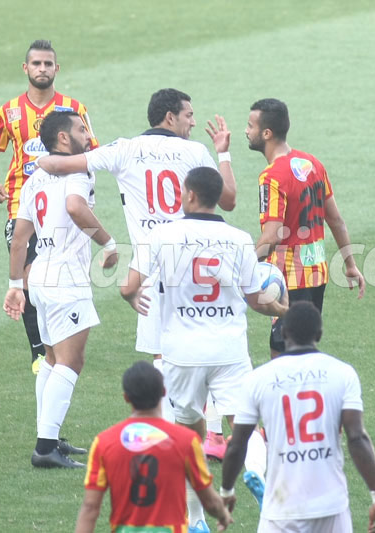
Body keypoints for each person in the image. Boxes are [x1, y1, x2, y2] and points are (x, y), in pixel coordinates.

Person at [36, 87, 236, 446]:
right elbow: (229, 200)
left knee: (163, 354)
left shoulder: (123, 149)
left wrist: (42, 161)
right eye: (189, 115)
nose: (193, 121)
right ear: (170, 117)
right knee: (210, 346)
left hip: (150, 265)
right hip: (197, 260)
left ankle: (169, 436)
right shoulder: (195, 151)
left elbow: (58, 164)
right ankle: (213, 435)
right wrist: (223, 153)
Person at [120, 167, 287, 532]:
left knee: (187, 436)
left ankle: (196, 521)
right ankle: (255, 470)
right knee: (243, 423)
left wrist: (133, 298)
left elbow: (128, 286)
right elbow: (256, 298)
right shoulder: (241, 239)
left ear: (191, 195)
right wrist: (279, 309)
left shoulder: (161, 235)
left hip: (181, 351)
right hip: (229, 348)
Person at [3, 111, 117, 468]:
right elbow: (74, 206)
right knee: (71, 361)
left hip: (39, 276)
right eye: (82, 129)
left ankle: (49, 437)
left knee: (52, 361)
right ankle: (45, 447)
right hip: (66, 278)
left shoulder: (35, 176)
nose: (88, 133)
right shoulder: (76, 169)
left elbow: (20, 237)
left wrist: (15, 285)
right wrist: (109, 243)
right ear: (64, 139)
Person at [0, 39, 98, 373]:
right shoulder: (9, 111)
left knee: (58, 273)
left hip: (64, 208)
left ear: (56, 69)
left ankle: (59, 337)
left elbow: (90, 150)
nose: (42, 69)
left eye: (48, 64)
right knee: (29, 274)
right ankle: (39, 351)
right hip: (22, 205)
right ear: (26, 68)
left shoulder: (74, 109)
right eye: (36, 64)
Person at [221, 301, 375, 533]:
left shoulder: (258, 380)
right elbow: (357, 438)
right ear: (319, 333)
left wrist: (226, 491)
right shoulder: (343, 374)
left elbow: (237, 445)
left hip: (280, 512)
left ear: (284, 332)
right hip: (331, 508)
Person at [246, 98, 365, 356]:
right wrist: (350, 263)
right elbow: (335, 219)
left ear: (267, 133)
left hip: (288, 280)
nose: (247, 131)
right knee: (304, 346)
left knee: (282, 352)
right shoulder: (312, 164)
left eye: (250, 126)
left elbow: (271, 236)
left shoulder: (271, 177)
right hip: (317, 274)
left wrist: (243, 265)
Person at [75, 361, 232, 533]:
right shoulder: (186, 441)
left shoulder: (105, 442)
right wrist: (223, 516)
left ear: (126, 397)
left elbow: (90, 507)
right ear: (164, 393)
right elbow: (209, 500)